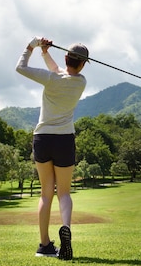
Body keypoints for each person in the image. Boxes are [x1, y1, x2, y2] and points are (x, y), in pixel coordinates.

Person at [15, 36, 89, 260]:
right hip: (64, 139)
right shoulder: (81, 82)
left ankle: (44, 244)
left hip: (42, 138)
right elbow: (59, 71)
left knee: (46, 194)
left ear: (66, 57)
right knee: (64, 193)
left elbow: (21, 68)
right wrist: (45, 53)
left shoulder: (50, 79)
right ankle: (65, 227)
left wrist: (32, 46)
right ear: (83, 64)